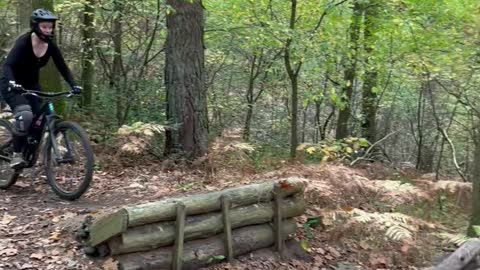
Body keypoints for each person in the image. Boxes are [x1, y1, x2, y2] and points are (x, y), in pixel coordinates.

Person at [0, 8, 82, 168]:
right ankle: (16, 154)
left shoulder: (50, 46)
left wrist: (73, 85)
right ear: (36, 26)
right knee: (25, 115)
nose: (48, 30)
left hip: (31, 85)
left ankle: (26, 149)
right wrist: (12, 83)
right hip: (11, 83)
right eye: (44, 26)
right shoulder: (24, 42)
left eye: (50, 27)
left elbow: (63, 67)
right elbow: (8, 65)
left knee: (40, 120)